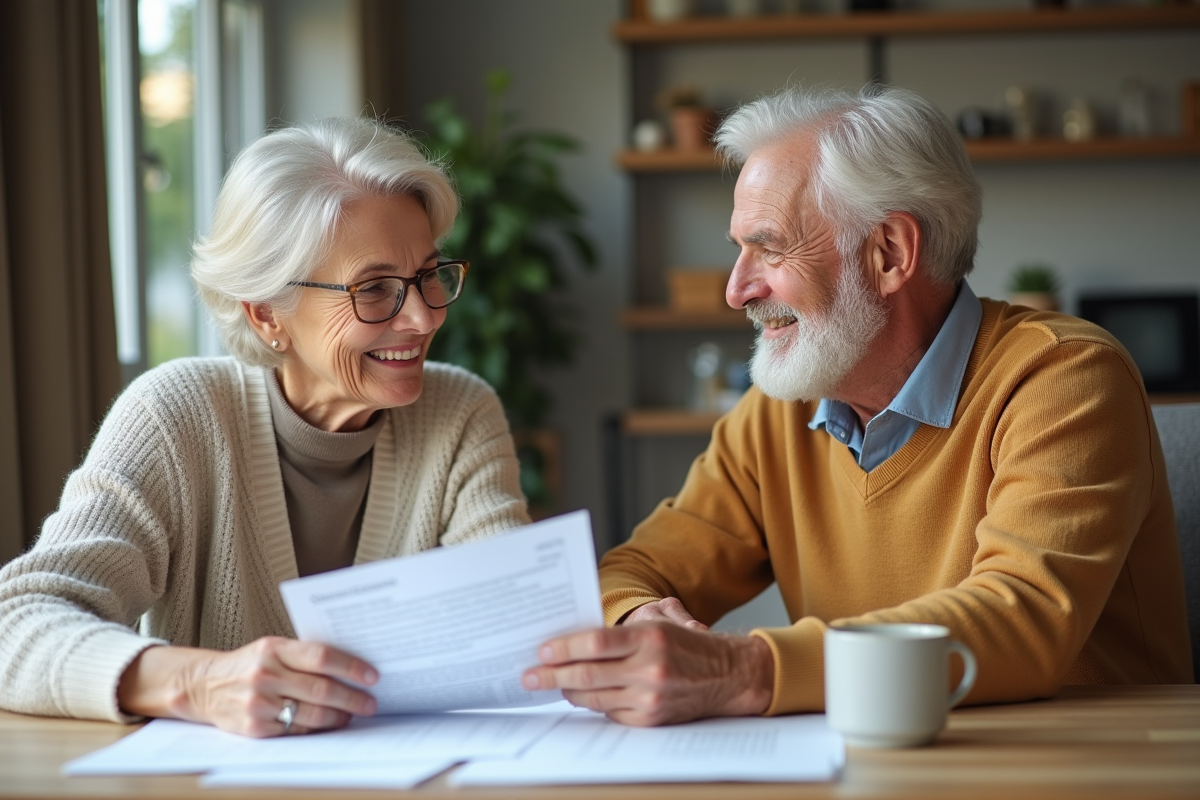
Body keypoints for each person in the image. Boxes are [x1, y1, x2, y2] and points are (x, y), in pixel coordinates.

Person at [522, 85, 1193, 725]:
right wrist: (639, 623)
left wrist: (750, 668)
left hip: (1079, 765)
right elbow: (635, 568)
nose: (736, 291)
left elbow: (1022, 617)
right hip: (867, 765)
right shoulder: (775, 412)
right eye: (739, 251)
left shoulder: (1065, 377)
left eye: (769, 247)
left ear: (889, 252)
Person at [0, 117, 529, 737]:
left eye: (427, 277)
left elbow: (513, 625)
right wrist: (197, 683)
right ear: (266, 314)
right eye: (376, 289)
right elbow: (18, 621)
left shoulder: (460, 412)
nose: (420, 317)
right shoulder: (176, 417)